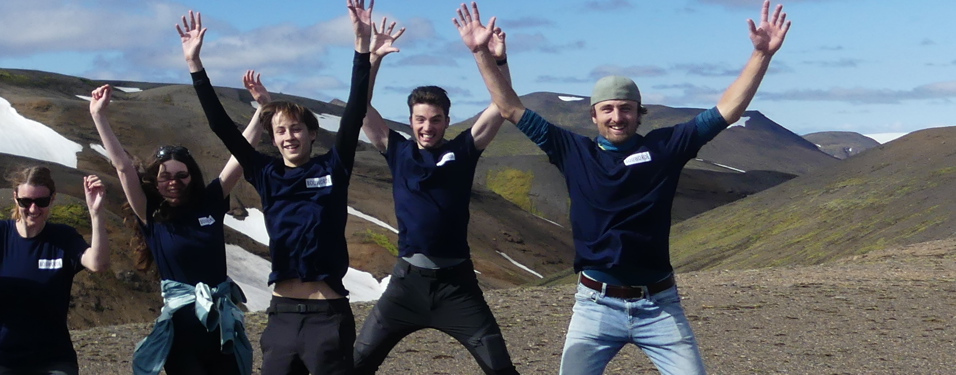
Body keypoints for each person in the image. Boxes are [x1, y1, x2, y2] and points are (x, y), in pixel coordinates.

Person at [458, 1, 792, 373]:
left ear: (639, 112)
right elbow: (508, 108)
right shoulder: (572, 151)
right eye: (609, 109)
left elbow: (727, 110)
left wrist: (761, 54)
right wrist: (480, 54)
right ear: (594, 114)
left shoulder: (665, 148)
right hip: (595, 305)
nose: (618, 117)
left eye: (627, 108)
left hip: (660, 304)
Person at [183, 1, 401, 373]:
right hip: (281, 316)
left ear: (312, 134)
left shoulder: (334, 166)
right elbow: (222, 127)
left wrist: (361, 47)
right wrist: (195, 66)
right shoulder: (264, 171)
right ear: (272, 137)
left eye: (296, 129)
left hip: (327, 317)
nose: (289, 137)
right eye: (281, 130)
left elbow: (352, 114)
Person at [348, 30, 518, 375]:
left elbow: (503, 106)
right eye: (420, 119)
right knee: (355, 365)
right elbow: (360, 108)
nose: (427, 127)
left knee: (502, 370)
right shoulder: (397, 150)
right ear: (410, 120)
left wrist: (498, 60)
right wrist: (374, 59)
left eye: (435, 120)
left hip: (458, 288)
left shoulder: (463, 150)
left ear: (447, 122)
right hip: (405, 286)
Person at [87, 80, 261, 375]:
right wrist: (98, 116)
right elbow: (123, 167)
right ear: (155, 181)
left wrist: (262, 110)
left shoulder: (210, 201)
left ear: (191, 176)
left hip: (222, 327)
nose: (173, 182)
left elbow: (240, 156)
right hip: (181, 333)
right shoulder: (150, 214)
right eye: (165, 176)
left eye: (181, 175)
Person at [0, 167, 112, 375]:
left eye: (41, 202)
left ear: (52, 199)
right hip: (1, 357)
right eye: (26, 202)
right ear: (15, 198)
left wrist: (96, 213)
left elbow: (98, 264)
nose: (34, 209)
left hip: (54, 359)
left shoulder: (63, 237)